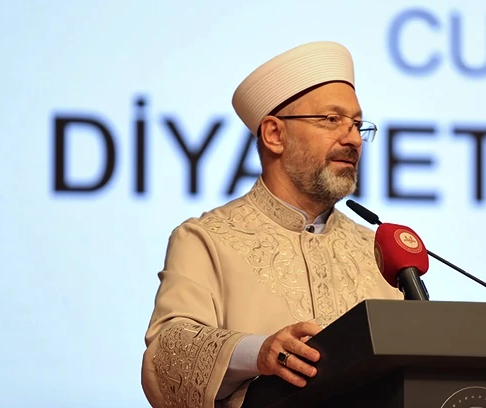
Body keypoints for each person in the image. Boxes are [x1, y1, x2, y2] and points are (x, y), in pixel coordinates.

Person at [140, 40, 403, 408]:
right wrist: (257, 352)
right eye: (331, 120)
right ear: (274, 135)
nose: (353, 139)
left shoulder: (375, 250)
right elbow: (167, 355)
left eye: (357, 125)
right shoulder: (206, 239)